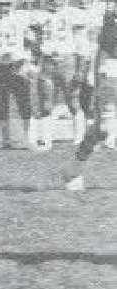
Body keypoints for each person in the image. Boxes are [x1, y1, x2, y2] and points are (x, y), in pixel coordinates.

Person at [63, 0, 116, 190]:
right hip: (111, 66)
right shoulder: (105, 11)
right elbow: (105, 43)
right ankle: (74, 169)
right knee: (103, 129)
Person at [29, 0, 85, 150]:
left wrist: (80, 69)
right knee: (46, 103)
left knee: (73, 101)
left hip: (68, 60)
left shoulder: (73, 14)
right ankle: (46, 141)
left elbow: (80, 42)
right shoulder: (39, 16)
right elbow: (35, 42)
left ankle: (79, 139)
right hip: (47, 61)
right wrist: (33, 63)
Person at [0, 0, 37, 148]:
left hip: (17, 65)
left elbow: (31, 40)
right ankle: (6, 139)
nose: (2, 8)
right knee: (1, 103)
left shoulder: (20, 19)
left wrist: (26, 60)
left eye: (5, 4)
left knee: (24, 103)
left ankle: (29, 138)